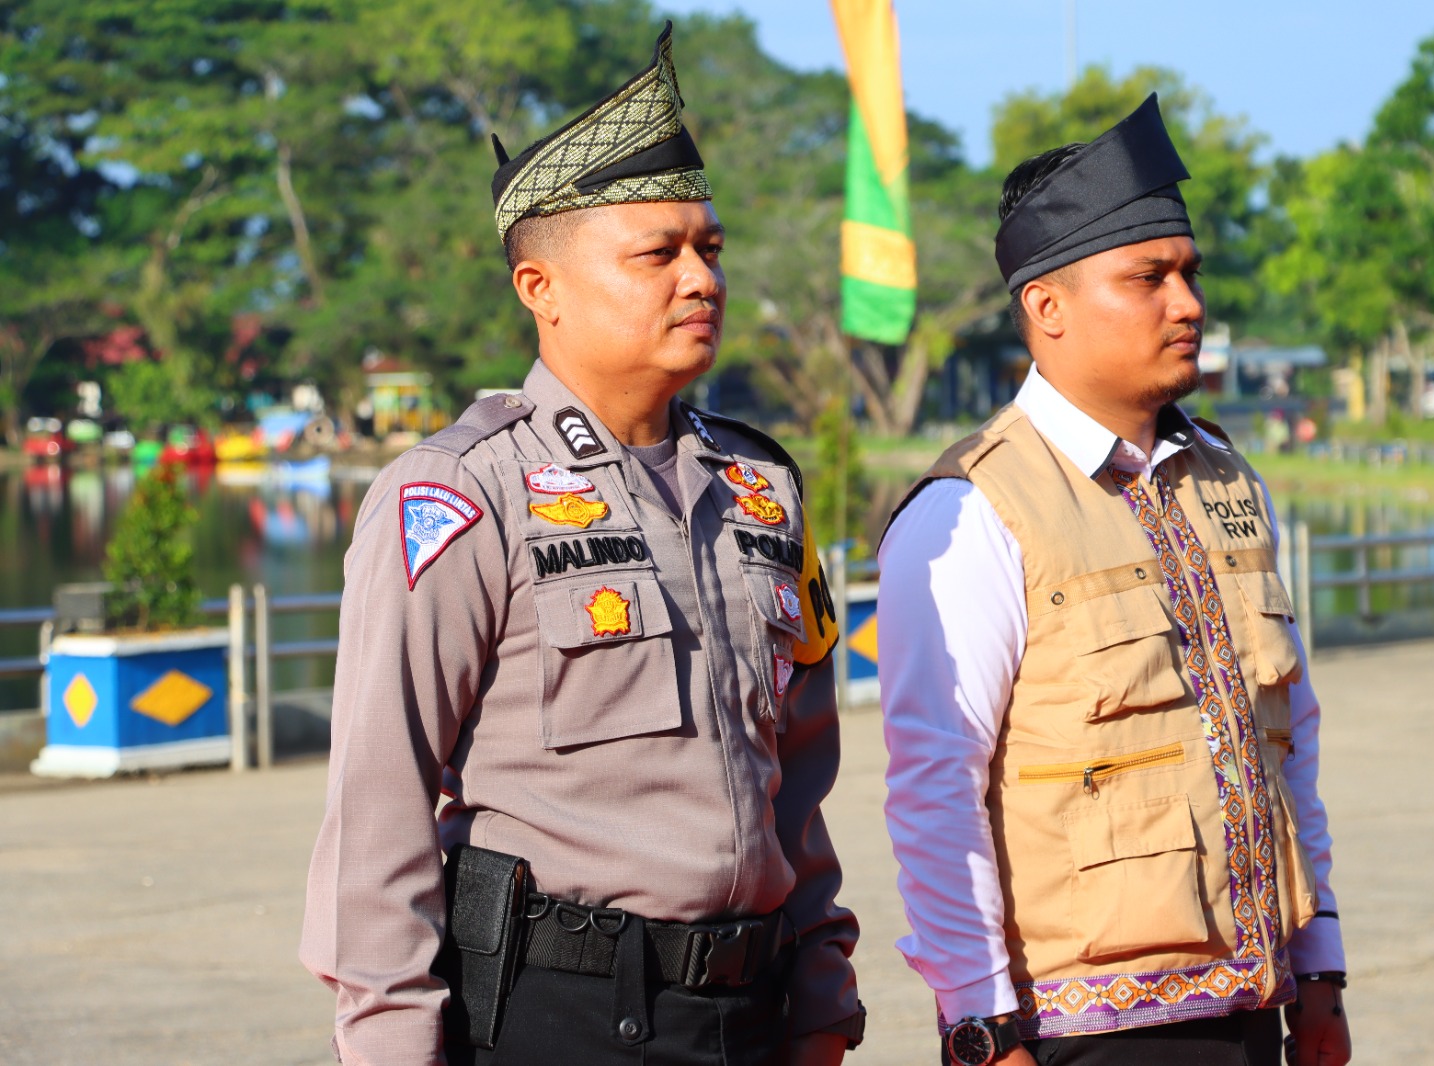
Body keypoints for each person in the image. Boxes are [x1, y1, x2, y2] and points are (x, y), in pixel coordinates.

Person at [300, 23, 866, 1066]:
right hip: (554, 1012)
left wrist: (823, 993)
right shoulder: (464, 493)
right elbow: (376, 812)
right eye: (658, 253)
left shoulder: (761, 491)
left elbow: (800, 773)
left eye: (709, 249)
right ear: (540, 290)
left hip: (748, 1010)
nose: (699, 278)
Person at [876, 95, 1352, 1066]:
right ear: (1044, 307)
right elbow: (936, 790)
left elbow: (1287, 740)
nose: (1186, 304)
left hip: (1254, 1002)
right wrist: (979, 1026)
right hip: (1080, 1029)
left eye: (1188, 275)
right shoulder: (973, 509)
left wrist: (1322, 969)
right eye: (1147, 278)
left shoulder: (1224, 476)